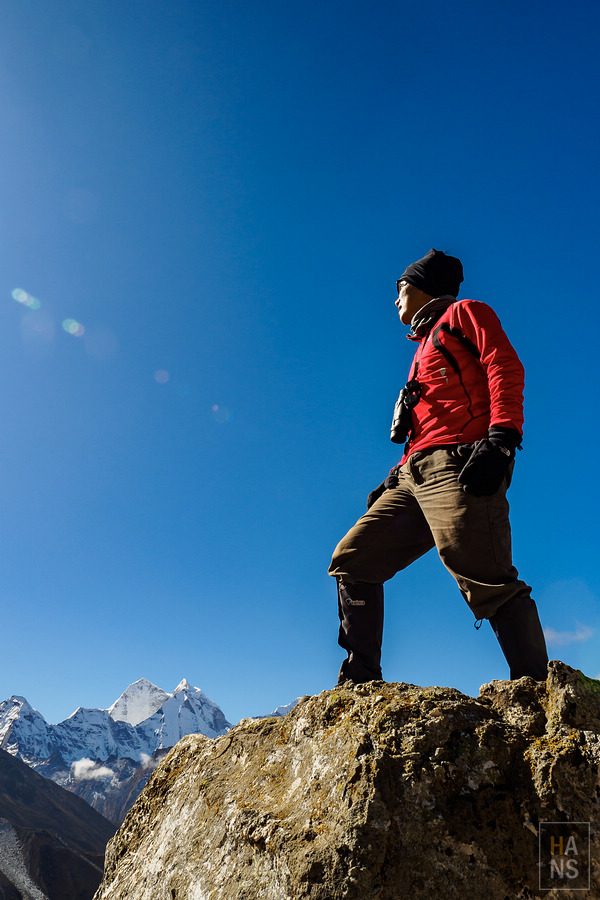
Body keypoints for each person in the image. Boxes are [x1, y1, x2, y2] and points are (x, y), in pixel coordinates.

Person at [329, 248, 548, 685]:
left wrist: (502, 440)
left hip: (461, 461)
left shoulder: (466, 313)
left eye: (401, 289)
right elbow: (429, 420)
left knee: (484, 574)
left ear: (424, 286)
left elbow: (503, 365)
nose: (395, 300)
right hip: (414, 472)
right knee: (353, 559)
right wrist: (395, 474)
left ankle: (537, 689)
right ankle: (359, 682)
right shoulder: (422, 346)